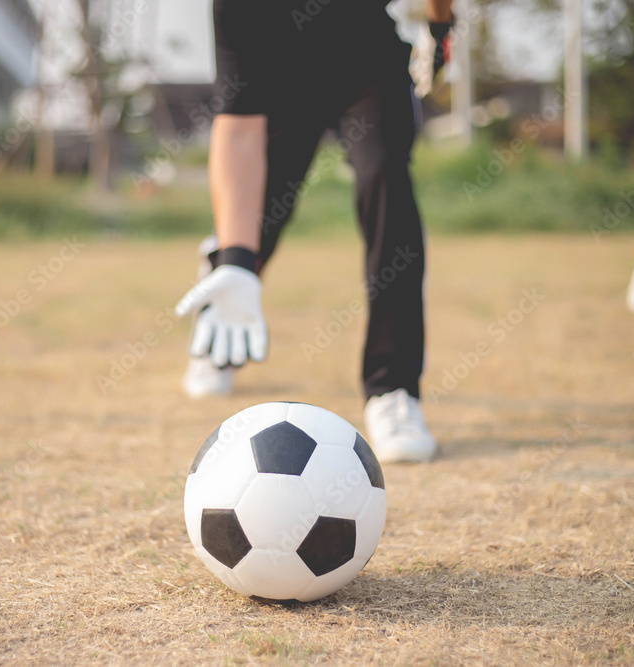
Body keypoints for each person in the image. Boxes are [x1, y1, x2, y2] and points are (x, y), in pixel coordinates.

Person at [175, 0, 455, 464]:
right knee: (260, 214)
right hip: (279, 80)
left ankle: (394, 390)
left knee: (384, 176)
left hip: (368, 67)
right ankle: (217, 320)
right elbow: (238, 131)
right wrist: (239, 261)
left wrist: (440, 24)